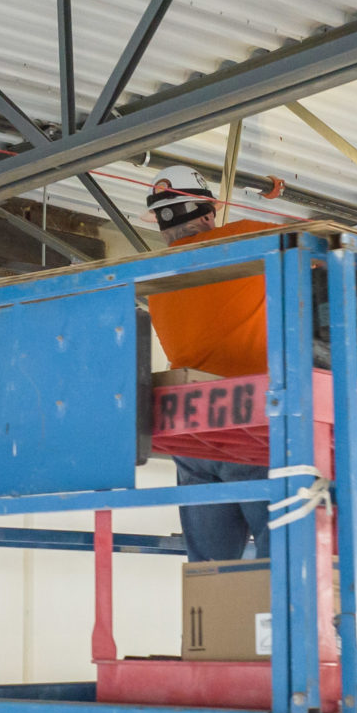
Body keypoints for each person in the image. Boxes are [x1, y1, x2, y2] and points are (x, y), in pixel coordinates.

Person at [142, 167, 278, 561]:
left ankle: (215, 619)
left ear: (164, 226)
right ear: (207, 211)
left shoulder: (156, 277)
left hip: (191, 434)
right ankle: (286, 621)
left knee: (210, 567)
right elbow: (323, 252)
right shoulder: (245, 238)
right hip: (247, 423)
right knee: (282, 559)